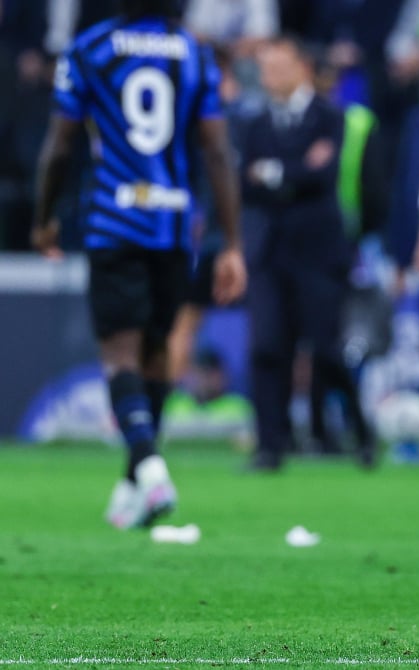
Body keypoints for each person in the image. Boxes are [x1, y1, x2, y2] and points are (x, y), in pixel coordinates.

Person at [31, 0, 246, 528]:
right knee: (156, 350)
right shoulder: (195, 53)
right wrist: (233, 242)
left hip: (114, 219)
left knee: (120, 354)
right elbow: (218, 152)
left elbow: (60, 145)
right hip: (174, 225)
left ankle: (149, 469)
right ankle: (134, 485)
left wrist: (43, 218)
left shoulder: (89, 49)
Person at [240, 36, 371, 471]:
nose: (269, 77)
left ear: (302, 68)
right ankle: (270, 445)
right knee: (267, 346)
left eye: (278, 67)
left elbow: (323, 175)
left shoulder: (330, 117)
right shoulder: (256, 123)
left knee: (326, 351)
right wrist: (295, 171)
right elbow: (245, 183)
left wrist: (273, 173)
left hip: (318, 253)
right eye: (265, 68)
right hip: (270, 251)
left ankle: (360, 431)